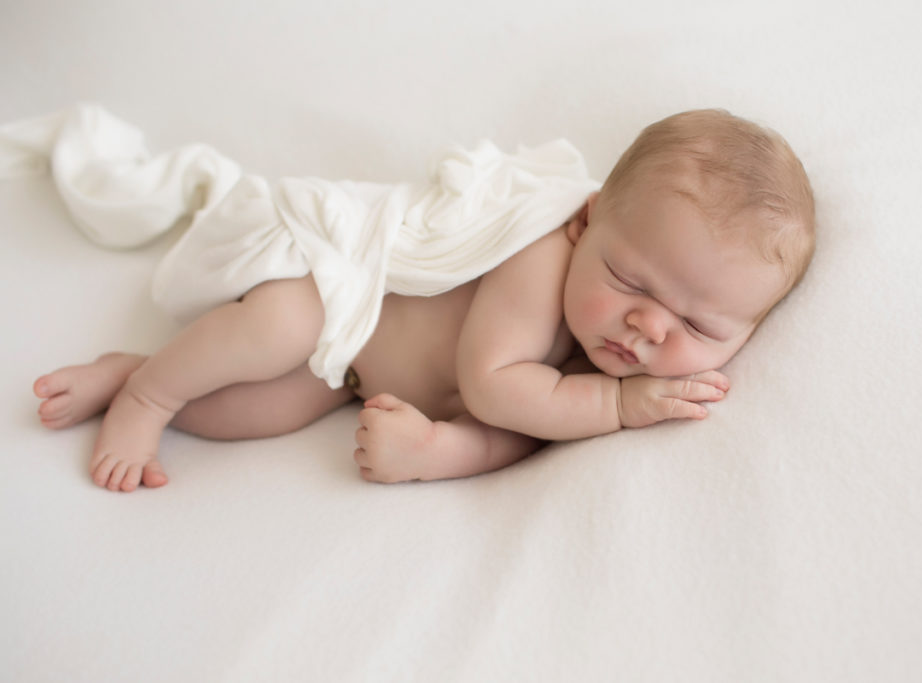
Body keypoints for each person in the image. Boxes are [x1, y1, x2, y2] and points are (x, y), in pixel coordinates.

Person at [31, 109, 815, 491]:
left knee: (247, 415)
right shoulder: (546, 262)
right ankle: (148, 390)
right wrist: (619, 408)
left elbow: (511, 434)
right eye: (632, 282)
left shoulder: (595, 362)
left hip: (349, 378)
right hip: (337, 293)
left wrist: (438, 455)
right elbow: (495, 389)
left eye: (699, 325)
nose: (647, 327)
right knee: (278, 326)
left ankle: (123, 369)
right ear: (587, 218)